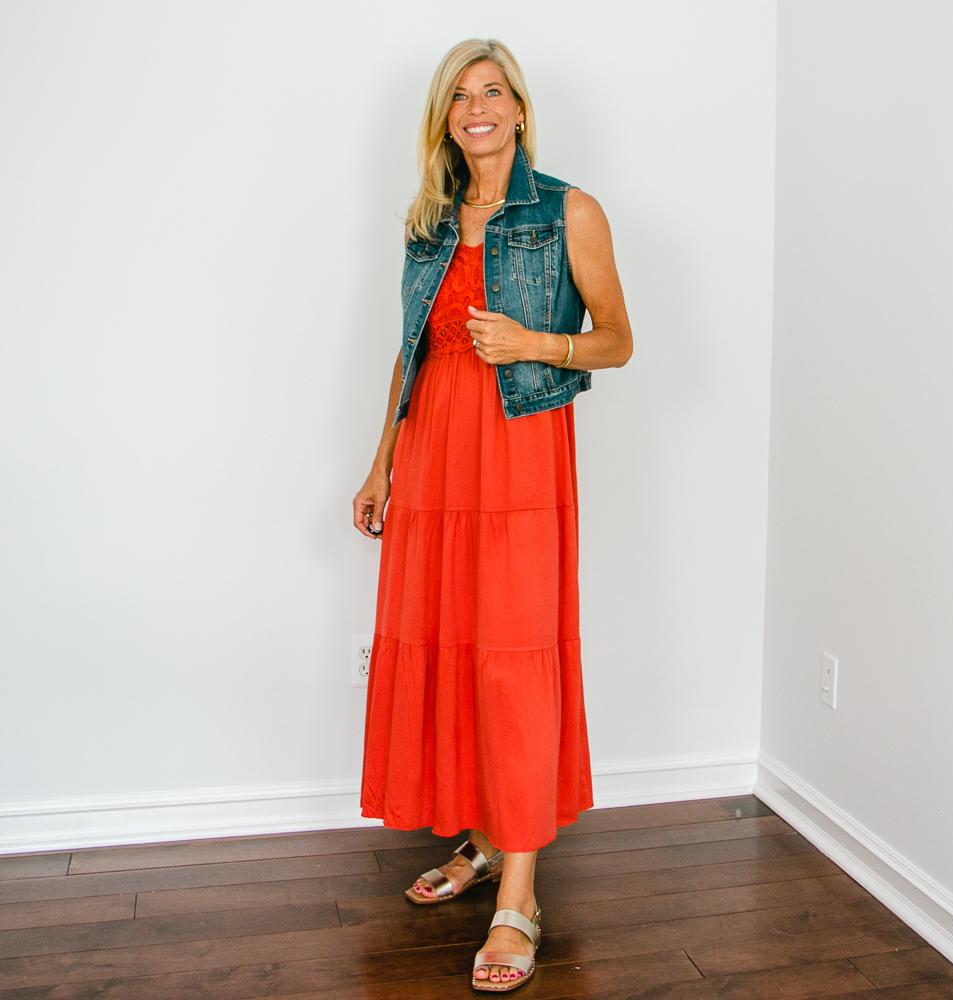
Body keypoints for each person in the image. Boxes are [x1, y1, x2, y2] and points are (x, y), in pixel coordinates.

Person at [353, 37, 632, 991]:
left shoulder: (568, 211)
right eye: (460, 96)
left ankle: (520, 890)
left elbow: (617, 341)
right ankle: (479, 838)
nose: (477, 108)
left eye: (493, 91)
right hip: (433, 458)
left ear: (518, 109)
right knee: (455, 643)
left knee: (514, 659)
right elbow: (411, 353)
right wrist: (380, 464)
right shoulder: (429, 221)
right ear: (445, 117)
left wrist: (530, 339)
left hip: (516, 455)